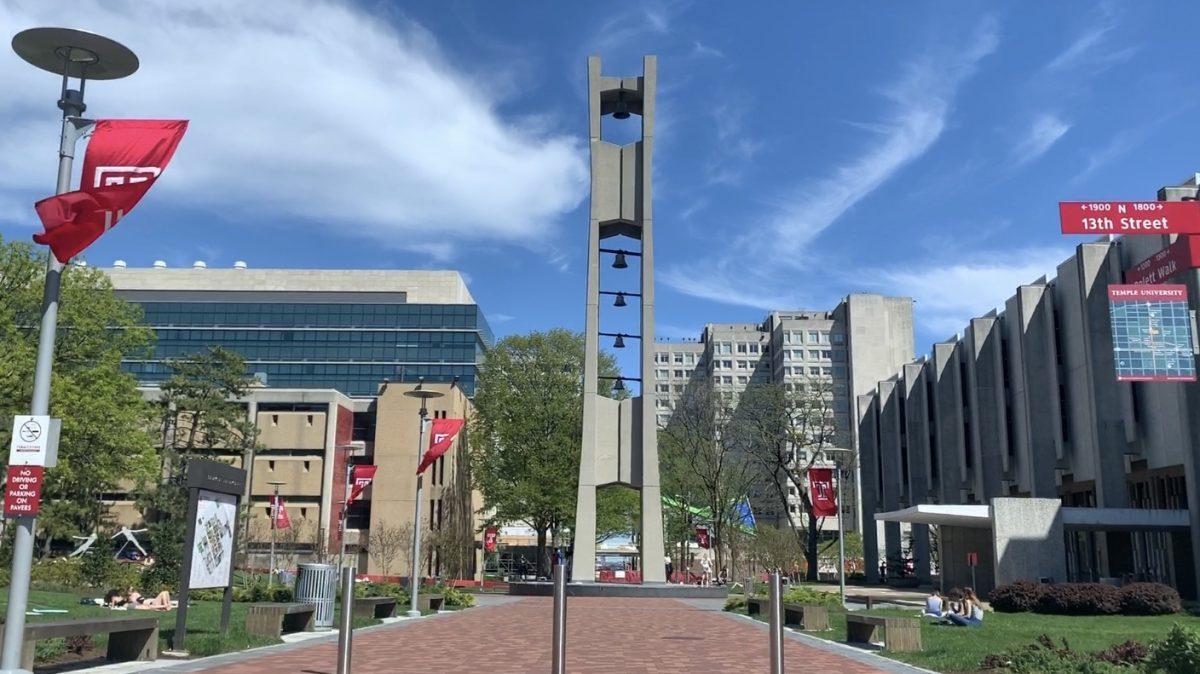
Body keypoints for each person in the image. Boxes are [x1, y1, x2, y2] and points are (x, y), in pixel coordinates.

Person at [105, 587, 175, 611]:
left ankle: (167, 605)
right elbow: (112, 606)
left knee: (165, 592)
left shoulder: (122, 599)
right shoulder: (115, 598)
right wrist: (111, 605)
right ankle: (166, 606)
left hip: (151, 603)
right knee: (164, 592)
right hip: (152, 604)